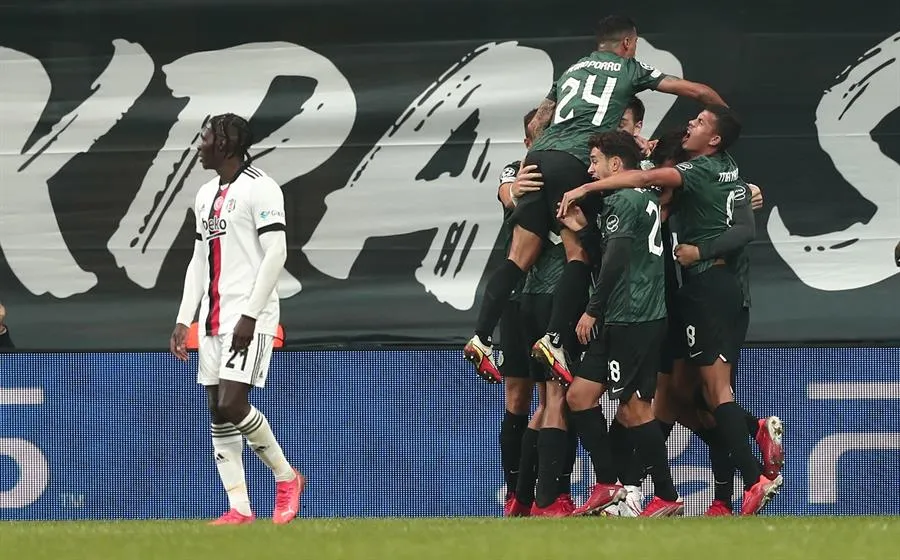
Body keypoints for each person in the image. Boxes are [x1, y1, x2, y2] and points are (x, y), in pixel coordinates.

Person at [465, 14, 727, 388]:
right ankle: (554, 339)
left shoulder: (571, 70)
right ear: (627, 43)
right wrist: (727, 117)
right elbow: (695, 91)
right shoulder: (629, 68)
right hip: (573, 160)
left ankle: (481, 336)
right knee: (579, 251)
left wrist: (531, 156)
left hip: (541, 155)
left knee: (518, 255)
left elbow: (539, 120)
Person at [558, 105, 784, 515]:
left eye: (699, 123)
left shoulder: (674, 178)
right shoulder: (702, 169)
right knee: (679, 399)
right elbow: (657, 180)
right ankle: (685, 490)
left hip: (679, 299)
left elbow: (648, 181)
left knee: (700, 396)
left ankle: (746, 479)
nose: (690, 127)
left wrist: (584, 190)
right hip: (678, 299)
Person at [170, 113, 304, 525]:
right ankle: (239, 509)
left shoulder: (261, 187)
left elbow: (277, 253)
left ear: (225, 143)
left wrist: (249, 315)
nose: (199, 145)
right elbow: (198, 260)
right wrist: (182, 319)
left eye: (206, 137)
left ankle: (287, 476)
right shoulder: (204, 194)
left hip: (250, 316)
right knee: (216, 408)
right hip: (212, 317)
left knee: (232, 402)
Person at [552, 131, 683, 517]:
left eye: (594, 160)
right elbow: (615, 248)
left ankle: (667, 495)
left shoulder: (622, 198)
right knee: (579, 397)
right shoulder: (641, 195)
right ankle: (608, 484)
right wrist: (586, 230)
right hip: (623, 316)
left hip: (632, 317)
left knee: (635, 410)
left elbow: (616, 261)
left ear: (615, 163)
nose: (591, 169)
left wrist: (592, 309)